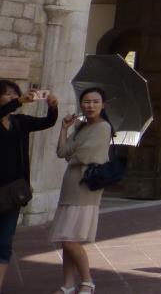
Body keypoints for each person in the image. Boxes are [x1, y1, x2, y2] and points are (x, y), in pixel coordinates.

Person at [49, 88, 112, 294]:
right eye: (86, 101)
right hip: (69, 187)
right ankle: (67, 284)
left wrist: (73, 155)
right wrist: (65, 128)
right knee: (66, 239)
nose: (90, 105)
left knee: (70, 240)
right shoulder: (81, 127)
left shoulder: (103, 127)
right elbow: (62, 152)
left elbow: (85, 156)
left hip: (85, 189)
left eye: (95, 101)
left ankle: (87, 281)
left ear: (103, 104)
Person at [0, 81, 58, 293]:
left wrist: (53, 107)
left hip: (14, 191)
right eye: (7, 94)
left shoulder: (20, 122)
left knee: (4, 242)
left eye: (15, 94)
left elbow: (48, 123)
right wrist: (18, 102)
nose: (13, 97)